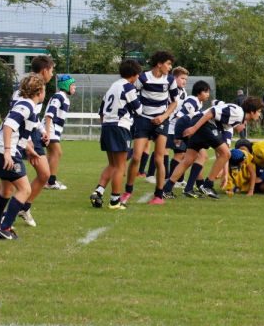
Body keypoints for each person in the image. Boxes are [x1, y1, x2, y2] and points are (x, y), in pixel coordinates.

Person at [163, 97, 264, 199]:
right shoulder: (238, 113)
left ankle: (166, 189)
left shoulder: (235, 119)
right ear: (252, 111)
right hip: (203, 124)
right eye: (259, 111)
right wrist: (194, 128)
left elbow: (219, 148)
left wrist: (224, 173)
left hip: (200, 123)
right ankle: (207, 185)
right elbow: (212, 112)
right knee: (226, 153)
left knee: (188, 159)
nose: (259, 114)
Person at [0, 73, 46, 240]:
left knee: (6, 189)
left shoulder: (26, 106)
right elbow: (8, 126)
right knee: (25, 190)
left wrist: (29, 148)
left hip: (0, 151)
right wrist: (7, 152)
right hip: (6, 153)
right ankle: (4, 229)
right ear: (39, 91)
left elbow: (18, 132)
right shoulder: (26, 106)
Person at [121, 51, 179, 205]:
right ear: (159, 64)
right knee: (136, 157)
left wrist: (164, 116)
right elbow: (132, 94)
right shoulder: (143, 78)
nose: (170, 67)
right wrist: (137, 114)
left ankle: (158, 196)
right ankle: (127, 191)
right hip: (143, 121)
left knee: (159, 158)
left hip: (161, 121)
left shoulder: (171, 80)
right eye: (168, 63)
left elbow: (174, 102)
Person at [89, 59, 143, 210]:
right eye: (138, 74)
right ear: (134, 74)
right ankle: (114, 201)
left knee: (113, 164)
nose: (138, 77)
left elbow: (101, 111)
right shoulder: (128, 87)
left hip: (107, 126)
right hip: (120, 127)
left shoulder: (112, 87)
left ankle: (98, 191)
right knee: (120, 166)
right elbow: (139, 110)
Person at [10, 55, 54, 227]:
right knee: (7, 184)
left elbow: (33, 116)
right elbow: (17, 114)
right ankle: (1, 221)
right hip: (19, 136)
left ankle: (23, 207)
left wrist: (43, 130)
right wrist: (26, 141)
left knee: (44, 174)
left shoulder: (39, 87)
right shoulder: (25, 86)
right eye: (51, 70)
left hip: (33, 134)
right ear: (45, 70)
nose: (52, 73)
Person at [173, 80, 211, 198]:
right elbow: (180, 116)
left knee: (198, 157)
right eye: (206, 92)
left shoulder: (198, 103)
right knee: (192, 158)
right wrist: (178, 135)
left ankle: (196, 185)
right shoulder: (192, 100)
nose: (208, 94)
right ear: (199, 92)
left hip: (186, 131)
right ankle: (177, 185)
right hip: (183, 131)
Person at [43, 74, 76, 189]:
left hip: (53, 130)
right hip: (50, 128)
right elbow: (49, 115)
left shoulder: (64, 98)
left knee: (51, 154)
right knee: (57, 153)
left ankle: (44, 179)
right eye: (72, 85)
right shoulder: (59, 96)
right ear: (66, 86)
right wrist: (47, 132)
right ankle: (51, 182)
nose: (74, 87)